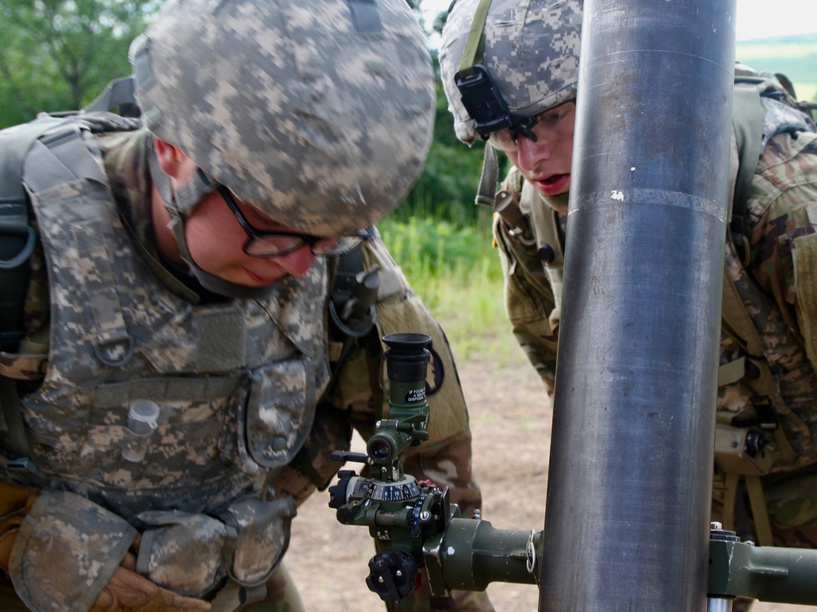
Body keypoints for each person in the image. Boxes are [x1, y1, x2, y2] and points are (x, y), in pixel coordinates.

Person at [438, 0, 817, 609]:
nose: (530, 156)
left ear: (615, 88)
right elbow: (561, 363)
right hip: (691, 479)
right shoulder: (531, 207)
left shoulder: (787, 201)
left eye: (551, 120)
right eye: (505, 135)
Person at [0, 0, 492, 610]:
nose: (300, 265)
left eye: (333, 234)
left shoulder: (340, 262)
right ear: (174, 150)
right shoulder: (18, 238)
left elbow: (431, 503)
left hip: (237, 585)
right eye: (275, 227)